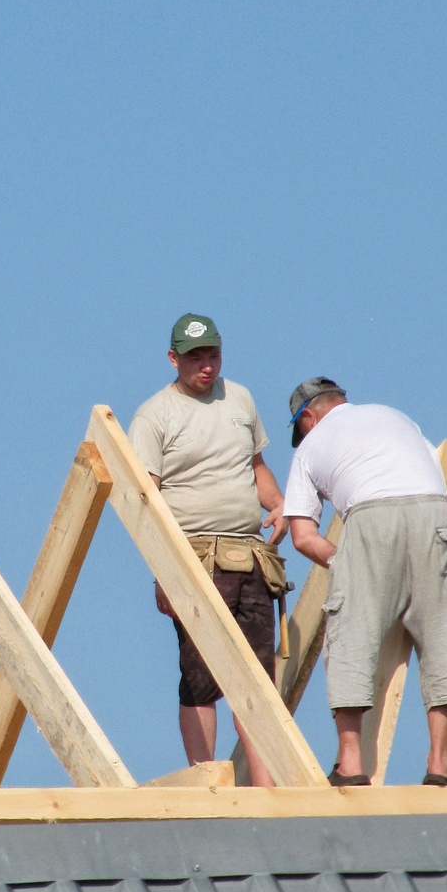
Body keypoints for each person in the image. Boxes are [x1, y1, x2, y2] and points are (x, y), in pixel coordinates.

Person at [282, 377, 447, 787]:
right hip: (432, 514)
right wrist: (432, 538)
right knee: (441, 636)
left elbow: (302, 535)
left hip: (371, 518)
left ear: (308, 416)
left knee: (351, 638)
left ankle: (351, 765)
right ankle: (440, 764)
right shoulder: (394, 416)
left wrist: (347, 563)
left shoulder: (309, 447)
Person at [128, 315, 289, 787]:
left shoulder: (238, 398)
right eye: (195, 357)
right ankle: (207, 780)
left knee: (257, 680)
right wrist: (163, 572)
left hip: (250, 555)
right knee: (200, 676)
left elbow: (255, 464)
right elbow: (146, 501)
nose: (206, 366)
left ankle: (264, 785)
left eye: (213, 355)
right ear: (173, 358)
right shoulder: (154, 415)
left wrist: (278, 504)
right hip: (195, 558)